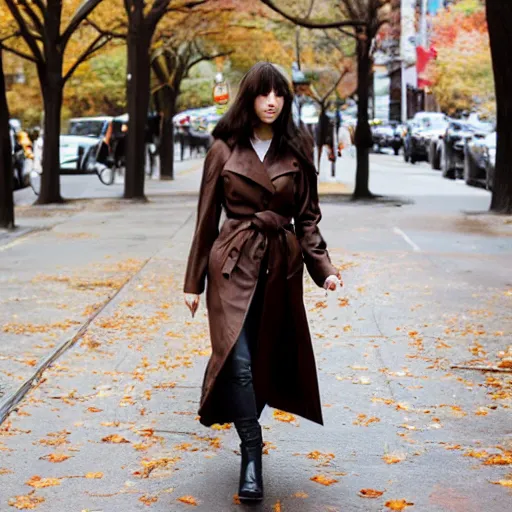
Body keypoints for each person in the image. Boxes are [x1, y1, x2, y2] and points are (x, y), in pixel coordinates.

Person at [183, 62, 342, 502]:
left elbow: (307, 217)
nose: (271, 102)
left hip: (279, 268)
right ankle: (251, 455)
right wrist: (192, 282)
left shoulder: (297, 147)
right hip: (231, 264)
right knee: (237, 358)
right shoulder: (223, 148)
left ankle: (248, 439)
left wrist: (324, 269)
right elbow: (204, 219)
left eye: (279, 95)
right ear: (249, 97)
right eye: (263, 94)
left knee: (263, 359)